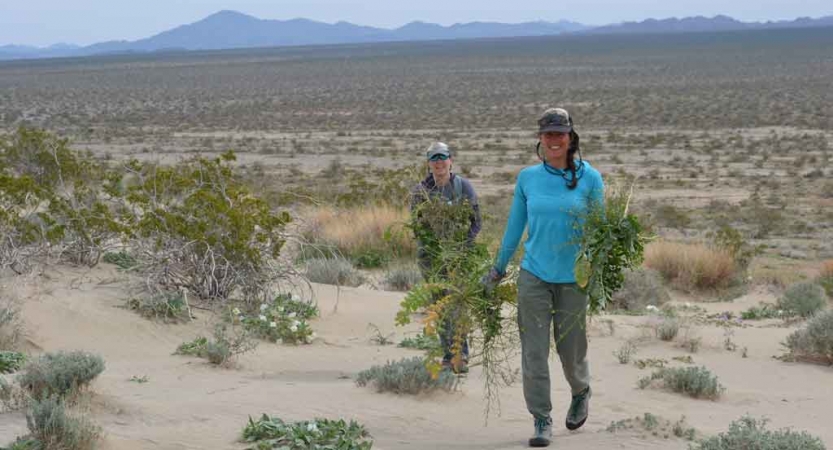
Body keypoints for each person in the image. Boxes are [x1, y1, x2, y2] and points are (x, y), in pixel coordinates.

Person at [483, 108, 604, 447]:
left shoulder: (591, 178)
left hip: (573, 278)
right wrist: (498, 266)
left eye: (560, 134)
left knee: (570, 349)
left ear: (570, 137)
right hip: (534, 275)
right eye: (548, 134)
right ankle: (541, 419)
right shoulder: (528, 178)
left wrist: (595, 268)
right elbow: (514, 227)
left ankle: (580, 391)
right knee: (534, 352)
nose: (554, 140)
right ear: (540, 138)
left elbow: (601, 231)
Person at [410, 142, 482, 373]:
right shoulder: (420, 192)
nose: (439, 162)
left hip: (459, 257)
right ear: (429, 163)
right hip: (431, 258)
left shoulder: (463, 187)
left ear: (451, 160)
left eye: (443, 157)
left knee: (457, 305)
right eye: (434, 158)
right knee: (438, 305)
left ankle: (462, 356)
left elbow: (476, 221)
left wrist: (463, 246)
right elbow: (417, 226)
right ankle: (447, 356)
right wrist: (433, 244)